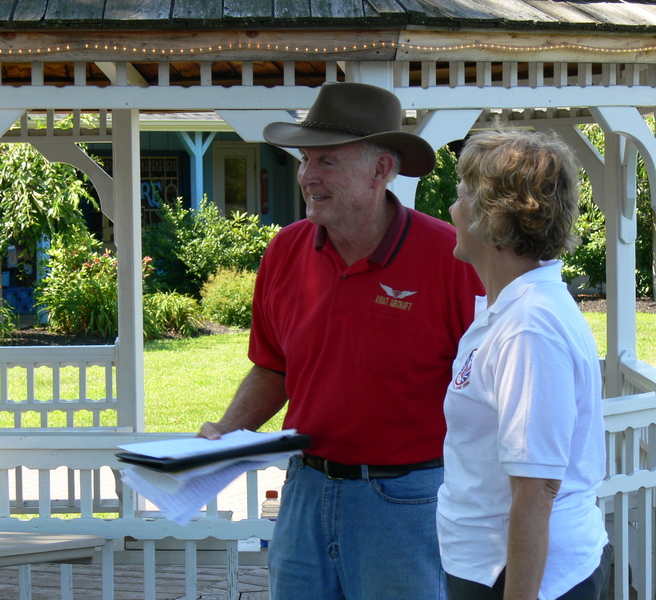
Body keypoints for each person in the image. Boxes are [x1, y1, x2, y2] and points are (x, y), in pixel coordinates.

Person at [199, 81, 484, 600]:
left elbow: (486, 389)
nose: (308, 176)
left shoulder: (451, 259)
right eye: (305, 160)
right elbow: (274, 367)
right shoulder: (285, 251)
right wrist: (226, 430)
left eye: (327, 161)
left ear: (381, 169)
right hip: (304, 494)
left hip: (407, 502)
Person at [436, 128, 611, 600]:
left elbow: (537, 488)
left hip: (522, 578)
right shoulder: (513, 312)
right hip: (489, 567)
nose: (451, 210)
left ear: (493, 216)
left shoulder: (529, 328)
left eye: (462, 196)